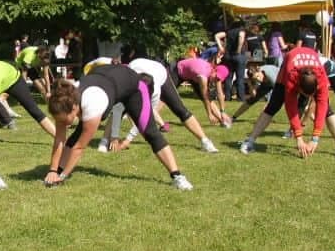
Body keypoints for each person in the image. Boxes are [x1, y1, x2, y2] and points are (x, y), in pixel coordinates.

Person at [43, 66, 194, 191]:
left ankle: (178, 176)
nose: (61, 123)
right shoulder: (62, 100)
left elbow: (79, 148)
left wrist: (60, 179)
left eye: (63, 120)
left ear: (74, 108)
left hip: (133, 87)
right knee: (76, 134)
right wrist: (52, 170)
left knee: (150, 133)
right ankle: (60, 170)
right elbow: (59, 140)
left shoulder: (93, 104)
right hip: (108, 80)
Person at [238, 45, 335, 159]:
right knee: (273, 106)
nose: (308, 97)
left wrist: (315, 138)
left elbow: (321, 107)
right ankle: (249, 142)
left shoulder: (321, 78)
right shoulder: (291, 76)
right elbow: (291, 108)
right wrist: (299, 137)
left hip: (310, 66)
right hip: (289, 63)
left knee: (327, 109)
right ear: (299, 88)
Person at [102, 53, 219, 154]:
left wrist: (128, 140)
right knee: (121, 108)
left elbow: (147, 116)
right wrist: (115, 137)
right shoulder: (127, 83)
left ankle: (205, 141)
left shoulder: (156, 89)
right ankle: (104, 142)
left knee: (180, 109)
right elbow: (117, 110)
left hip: (161, 74)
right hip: (140, 70)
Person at [175, 54, 231, 126]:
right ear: (214, 70)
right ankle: (157, 119)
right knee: (167, 95)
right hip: (179, 70)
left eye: (218, 79)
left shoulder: (216, 76)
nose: (215, 80)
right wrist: (209, 115)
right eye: (216, 77)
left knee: (210, 100)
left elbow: (220, 93)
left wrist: (223, 111)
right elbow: (205, 96)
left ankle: (223, 121)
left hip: (193, 75)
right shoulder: (203, 76)